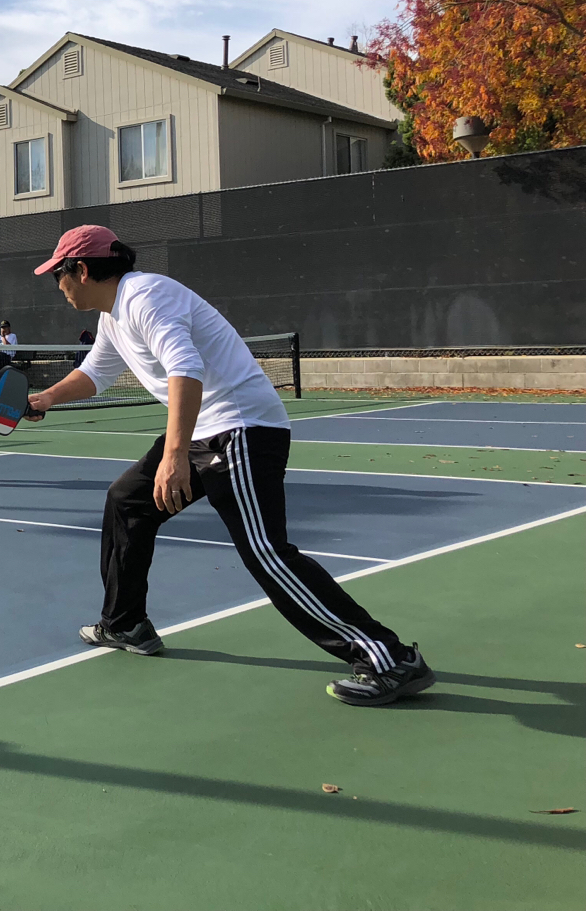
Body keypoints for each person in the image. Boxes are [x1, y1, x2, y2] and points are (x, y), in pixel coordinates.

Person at [24, 224, 434, 707]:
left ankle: (387, 658)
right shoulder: (116, 314)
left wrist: (174, 456)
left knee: (266, 553)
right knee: (127, 501)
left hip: (240, 429)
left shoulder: (145, 296)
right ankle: (125, 623)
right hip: (206, 430)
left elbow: (185, 368)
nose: (59, 285)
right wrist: (45, 398)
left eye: (59, 274)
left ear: (84, 269)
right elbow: (96, 372)